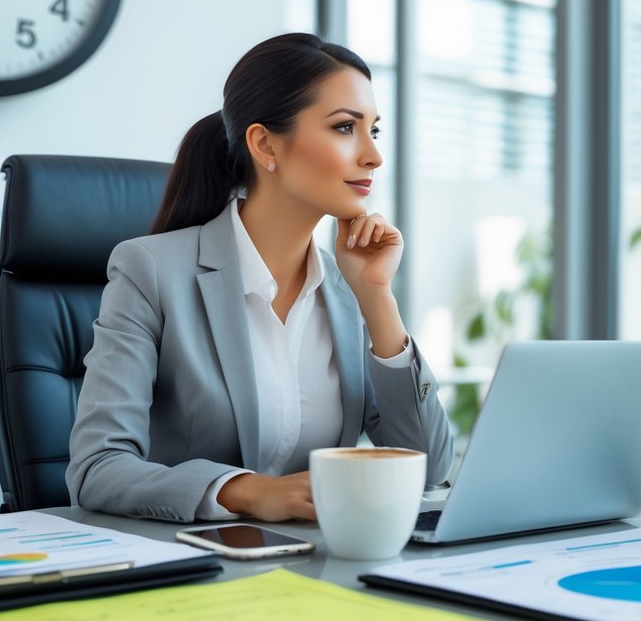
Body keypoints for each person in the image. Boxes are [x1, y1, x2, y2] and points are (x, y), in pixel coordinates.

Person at [66, 33, 454, 523]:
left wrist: (377, 297)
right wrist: (250, 492)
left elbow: (429, 468)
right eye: (343, 128)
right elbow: (96, 469)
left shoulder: (348, 290)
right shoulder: (151, 270)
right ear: (265, 144)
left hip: (316, 566)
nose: (373, 156)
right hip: (190, 564)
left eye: (373, 132)